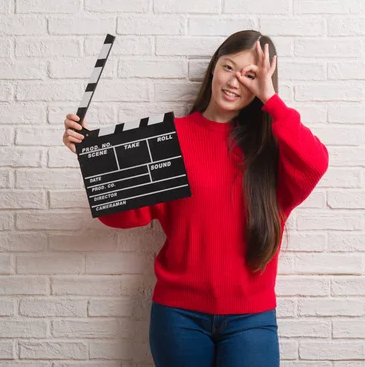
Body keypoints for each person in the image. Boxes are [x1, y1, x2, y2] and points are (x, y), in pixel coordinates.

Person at [63, 30, 329, 367]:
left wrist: (272, 100)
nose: (235, 81)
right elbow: (121, 216)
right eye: (229, 67)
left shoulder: (270, 151)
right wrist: (92, 161)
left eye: (251, 76)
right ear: (213, 69)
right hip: (179, 317)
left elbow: (315, 162)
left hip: (252, 318)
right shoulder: (170, 139)